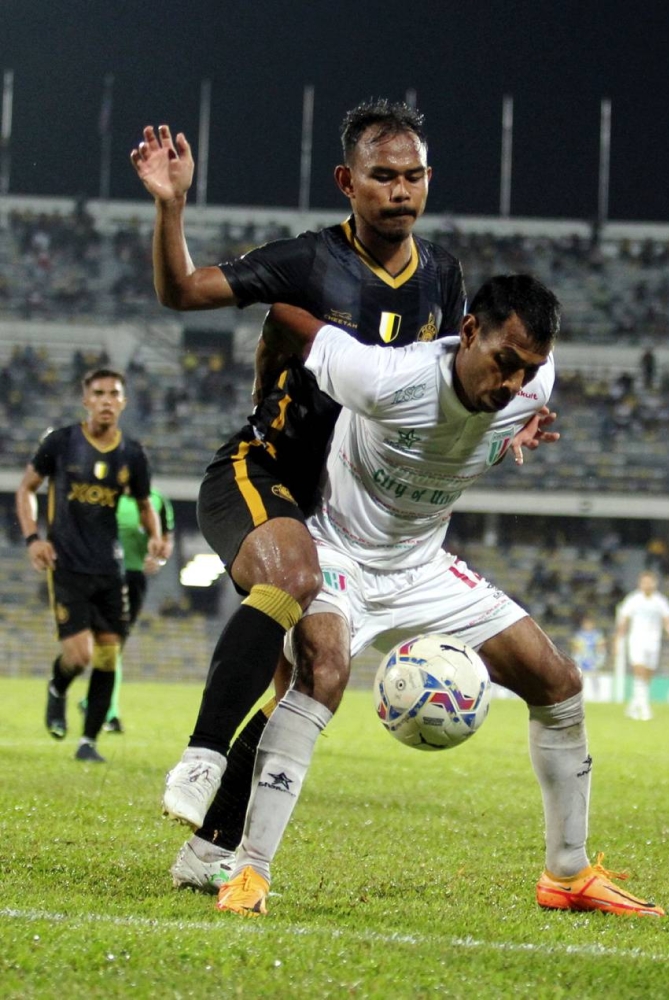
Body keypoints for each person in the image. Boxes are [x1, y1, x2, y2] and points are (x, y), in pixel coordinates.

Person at [211, 275, 664, 920]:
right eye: (505, 362)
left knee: (558, 682)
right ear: (470, 333)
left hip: (422, 566)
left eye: (528, 370)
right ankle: (249, 870)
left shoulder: (534, 382)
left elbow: (474, 431)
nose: (513, 383)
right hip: (340, 551)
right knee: (324, 675)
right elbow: (283, 314)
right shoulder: (380, 375)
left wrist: (510, 440)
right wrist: (264, 402)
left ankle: (566, 872)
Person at [131, 100, 468, 881]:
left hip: (339, 513)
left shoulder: (446, 278)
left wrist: (514, 413)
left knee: (318, 676)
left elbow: (460, 381)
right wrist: (173, 207)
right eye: (383, 176)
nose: (401, 190)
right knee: (291, 576)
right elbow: (181, 292)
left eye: (413, 175)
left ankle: (208, 851)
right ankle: (202, 756)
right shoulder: (309, 262)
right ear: (348, 182)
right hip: (260, 473)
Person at [15, 369, 164, 762]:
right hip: (66, 564)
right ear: (85, 399)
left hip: (110, 569)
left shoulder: (132, 453)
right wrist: (33, 538)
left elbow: (146, 504)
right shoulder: (61, 442)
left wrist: (158, 538)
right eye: (98, 393)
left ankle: (88, 742)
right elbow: (26, 489)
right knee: (79, 656)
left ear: (123, 402)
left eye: (114, 394)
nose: (106, 400)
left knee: (108, 655)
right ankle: (58, 686)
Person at [80, 488, 175, 733]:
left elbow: (166, 540)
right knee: (101, 642)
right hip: (99, 575)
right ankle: (99, 704)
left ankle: (104, 709)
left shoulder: (157, 501)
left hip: (132, 578)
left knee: (115, 644)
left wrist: (159, 558)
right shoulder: (104, 493)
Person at [616, 570, 669, 721]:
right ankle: (645, 709)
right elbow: (624, 620)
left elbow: (667, 619)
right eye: (644, 582)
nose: (647, 584)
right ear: (640, 583)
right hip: (636, 640)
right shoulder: (633, 599)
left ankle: (633, 705)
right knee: (639, 671)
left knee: (647, 676)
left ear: (655, 583)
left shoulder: (660, 601)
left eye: (650, 582)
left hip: (654, 642)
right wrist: (618, 639)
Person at [571, 614, 607, 701]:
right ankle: (581, 697)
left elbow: (601, 647)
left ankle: (597, 696)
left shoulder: (597, 634)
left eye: (589, 624)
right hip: (582, 659)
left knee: (595, 678)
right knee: (582, 679)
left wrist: (600, 658)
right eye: (586, 624)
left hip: (594, 659)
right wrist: (576, 658)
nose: (588, 626)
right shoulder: (579, 635)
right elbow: (576, 647)